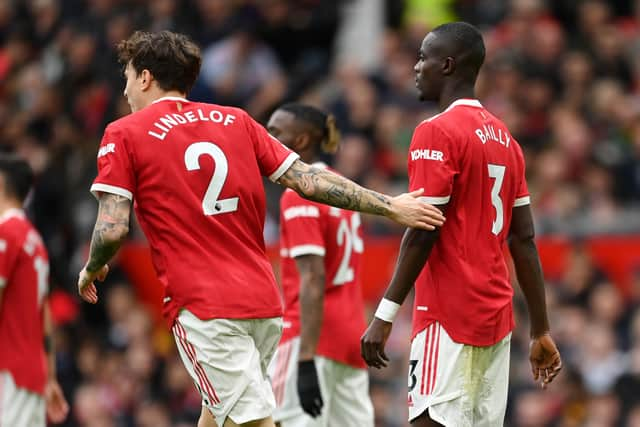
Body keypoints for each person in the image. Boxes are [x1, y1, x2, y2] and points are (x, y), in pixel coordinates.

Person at [76, 31, 444, 427]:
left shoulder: (123, 133)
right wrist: (389, 205)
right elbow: (308, 179)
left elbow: (113, 228)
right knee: (218, 415)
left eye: (128, 77)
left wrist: (92, 265)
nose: (127, 89)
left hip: (205, 307)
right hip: (264, 305)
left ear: (146, 77)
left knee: (251, 421)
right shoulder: (237, 120)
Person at [360, 22, 562, 427]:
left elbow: (424, 227)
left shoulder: (436, 132)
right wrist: (540, 329)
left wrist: (385, 314)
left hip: (447, 314)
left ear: (448, 65)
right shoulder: (506, 139)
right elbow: (523, 239)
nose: (416, 67)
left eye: (423, 57)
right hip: (496, 318)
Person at [265, 103, 374, 426]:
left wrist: (307, 359)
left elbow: (313, 276)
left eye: (275, 133)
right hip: (350, 336)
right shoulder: (343, 187)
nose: (266, 140)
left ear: (299, 141)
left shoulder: (301, 192)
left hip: (309, 337)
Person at [0, 155, 69, 426]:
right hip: (30, 373)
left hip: (9, 371)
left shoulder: (7, 233)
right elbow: (45, 315)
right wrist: (50, 377)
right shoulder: (33, 239)